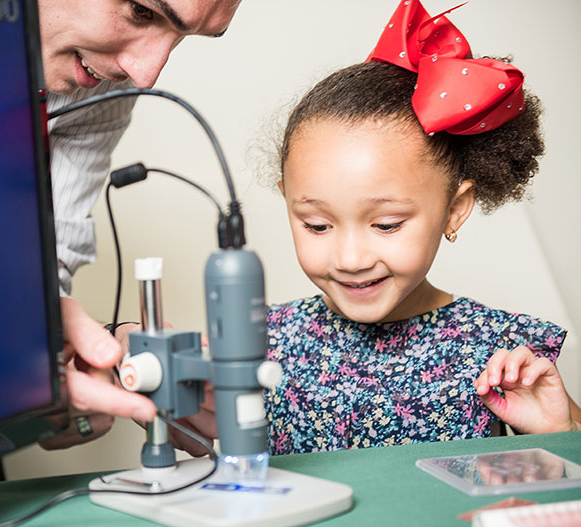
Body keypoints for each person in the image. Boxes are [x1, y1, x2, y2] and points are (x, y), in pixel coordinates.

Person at [263, 0, 581, 455]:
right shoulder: (261, 341)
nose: (350, 258)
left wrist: (557, 432)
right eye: (317, 225)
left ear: (455, 208)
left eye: (387, 225)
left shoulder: (502, 354)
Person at [35, 0, 241, 446]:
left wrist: (54, 361)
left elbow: (41, 278)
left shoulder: (92, 88)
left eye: (183, 38)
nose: (146, 74)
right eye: (142, 11)